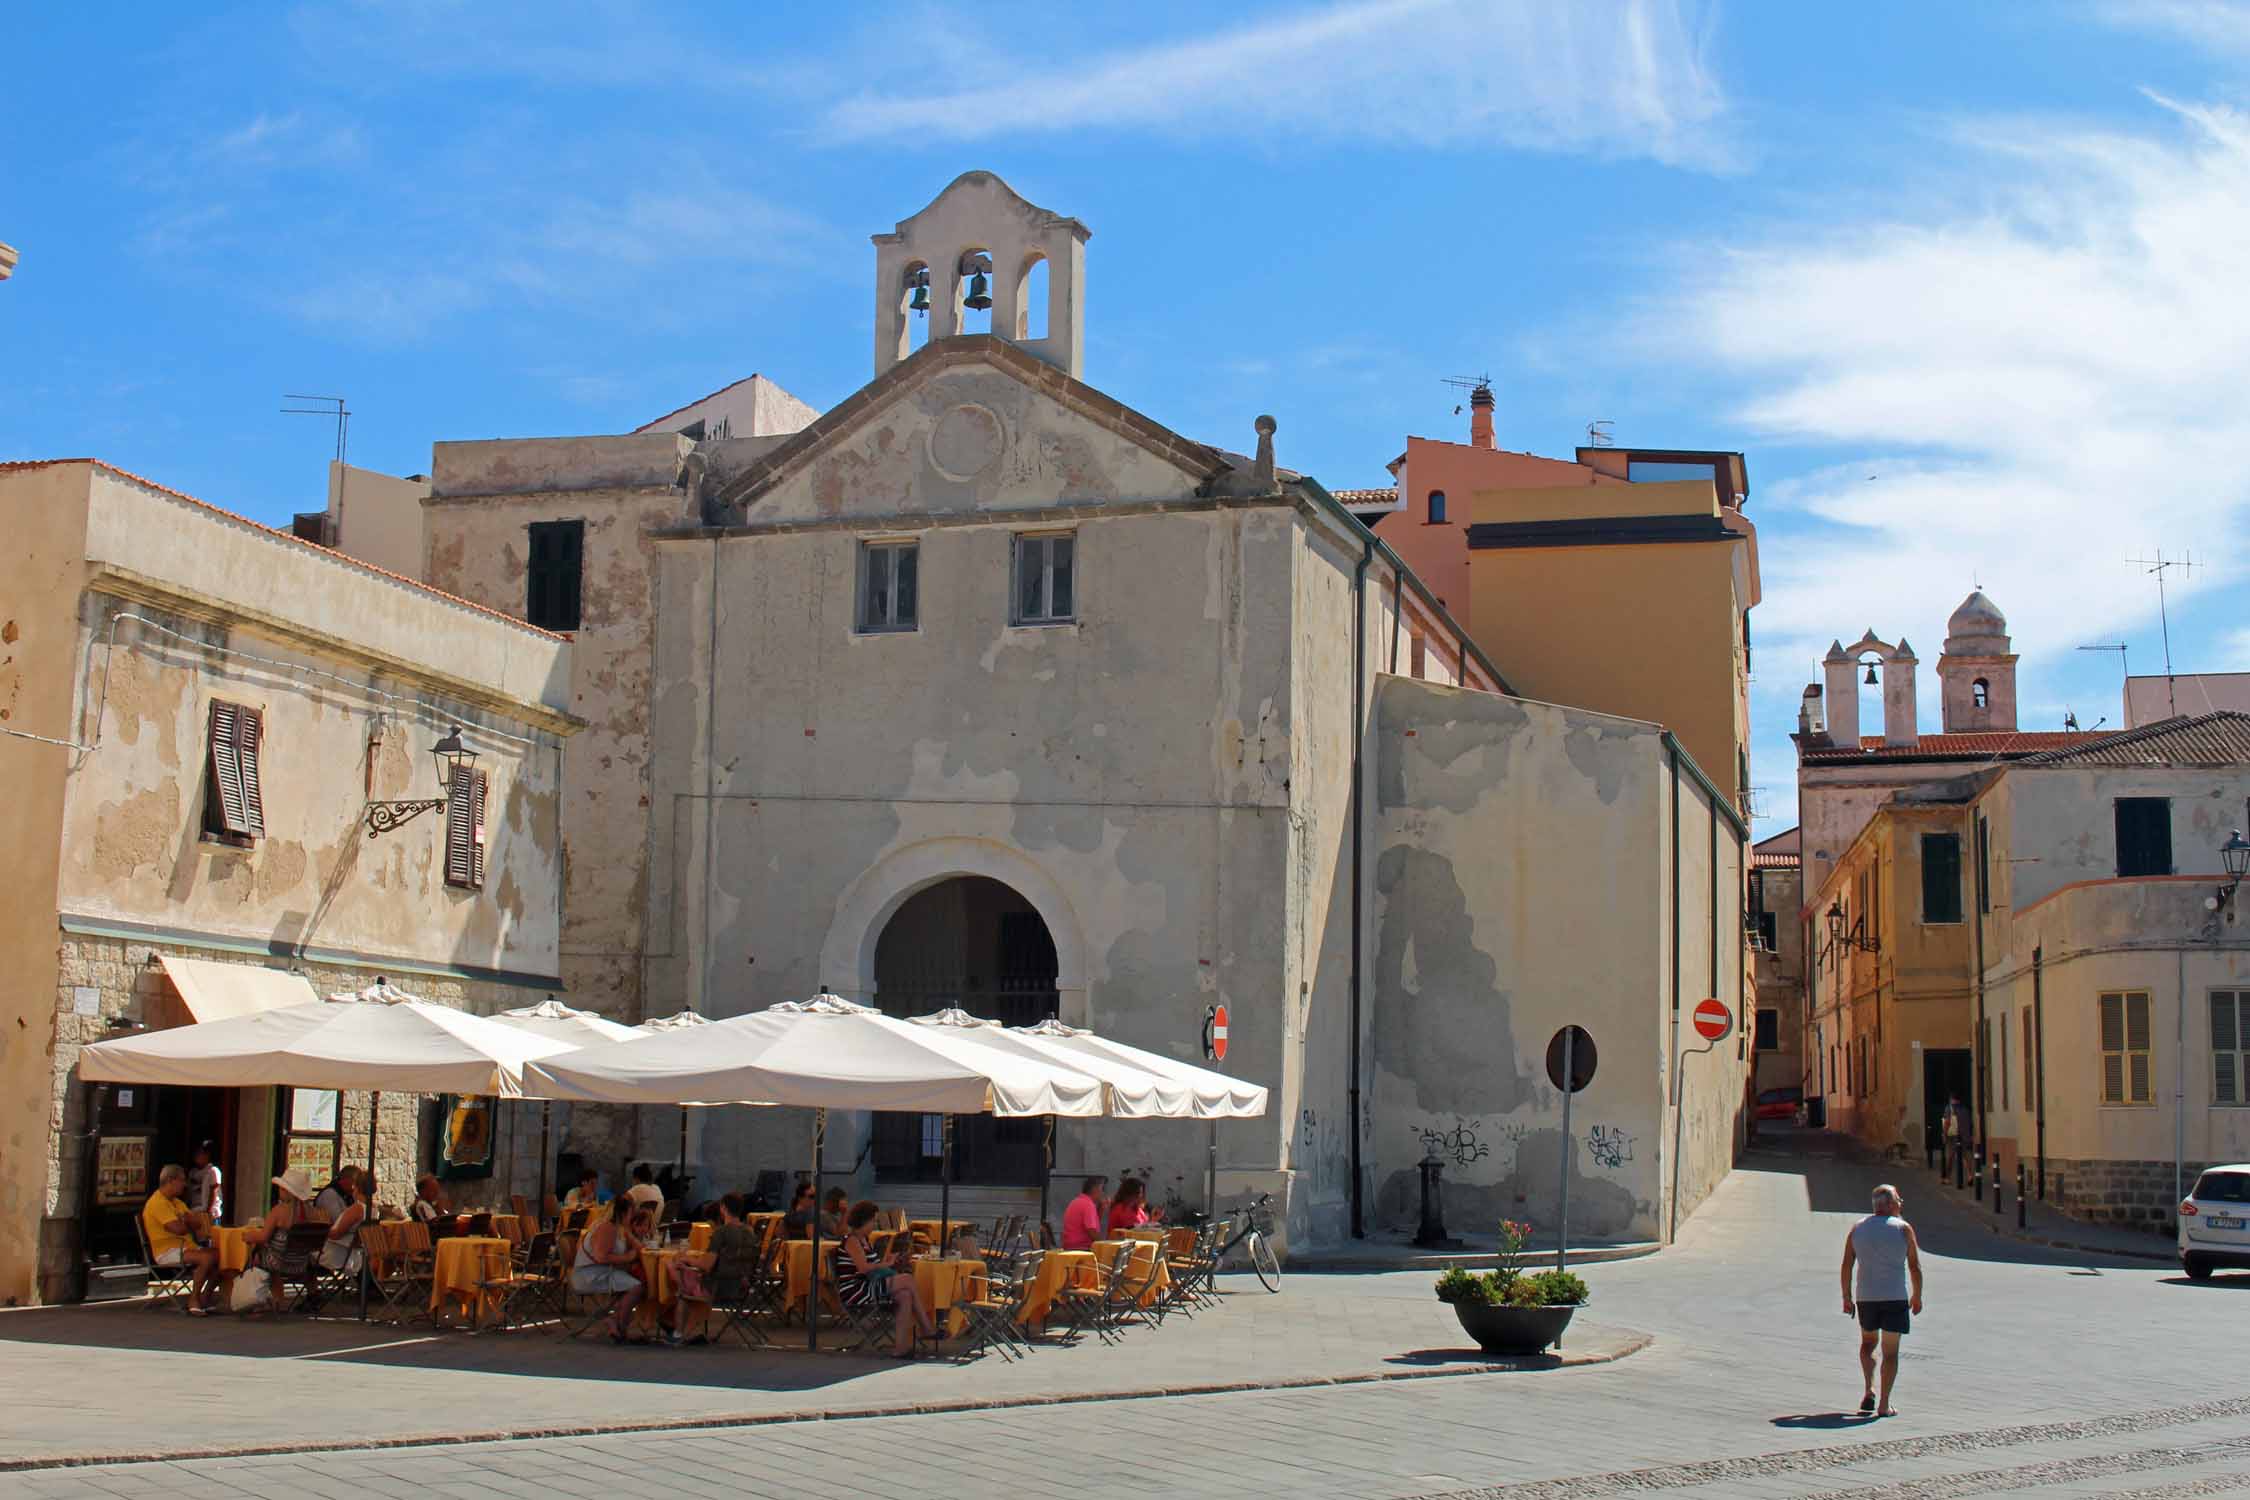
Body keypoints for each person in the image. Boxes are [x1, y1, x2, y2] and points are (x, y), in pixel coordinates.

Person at [1841, 1183, 1924, 1418]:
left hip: (1866, 1297)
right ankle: (1884, 1404)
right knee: (1890, 1352)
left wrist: (1846, 1296)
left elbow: (1847, 1264)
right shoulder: (1903, 1228)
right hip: (1895, 1297)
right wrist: (1917, 1295)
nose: (1901, 1203)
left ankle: (1869, 1388)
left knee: (1868, 1345)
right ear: (1888, 1205)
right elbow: (1915, 1266)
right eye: (1898, 1199)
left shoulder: (1857, 1229)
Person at [833, 1200, 933, 1358]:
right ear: (863, 1221)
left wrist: (891, 1262)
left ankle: (900, 1348)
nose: (874, 1224)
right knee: (907, 1279)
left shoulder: (865, 1240)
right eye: (873, 1221)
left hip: (869, 1285)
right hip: (856, 1289)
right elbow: (863, 1268)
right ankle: (926, 1328)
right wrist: (885, 1264)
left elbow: (873, 1267)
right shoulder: (852, 1240)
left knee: (905, 1295)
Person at [665, 1192, 759, 1347]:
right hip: (740, 1287)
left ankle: (678, 1333)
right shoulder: (750, 1232)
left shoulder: (721, 1232)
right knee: (686, 1278)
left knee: (677, 1274)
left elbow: (706, 1265)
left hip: (717, 1288)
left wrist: (687, 1259)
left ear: (723, 1208)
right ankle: (686, 1326)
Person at [142, 1164, 221, 1314]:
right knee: (207, 1258)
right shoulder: (157, 1203)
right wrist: (187, 1221)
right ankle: (194, 1299)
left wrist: (185, 1221)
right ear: (171, 1181)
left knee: (221, 1257)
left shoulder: (177, 1202)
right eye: (182, 1180)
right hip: (167, 1250)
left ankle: (204, 1298)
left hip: (186, 1246)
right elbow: (178, 1229)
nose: (185, 1185)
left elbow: (197, 1224)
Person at [571, 1193, 648, 1342]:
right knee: (637, 1287)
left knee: (640, 1284)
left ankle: (615, 1322)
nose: (633, 1218)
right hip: (589, 1275)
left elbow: (640, 1247)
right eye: (631, 1213)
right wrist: (628, 1257)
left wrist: (634, 1241)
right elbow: (601, 1257)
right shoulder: (607, 1228)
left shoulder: (619, 1227)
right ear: (624, 1213)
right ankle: (619, 1325)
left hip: (601, 1272)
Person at [240, 1168, 314, 1312]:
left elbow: (263, 1237)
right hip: (301, 1263)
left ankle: (266, 1299)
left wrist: (248, 1236)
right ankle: (279, 1300)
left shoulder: (279, 1211)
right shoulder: (310, 1211)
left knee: (259, 1254)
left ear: (286, 1191)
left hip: (279, 1262)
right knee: (274, 1254)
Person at [320, 1170, 373, 1278]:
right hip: (355, 1255)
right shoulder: (373, 1209)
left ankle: (312, 1290)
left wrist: (321, 1231)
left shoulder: (356, 1209)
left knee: (304, 1254)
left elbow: (336, 1234)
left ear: (356, 1187)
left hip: (338, 1255)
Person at [1062, 1176, 1109, 1251]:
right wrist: (1105, 1245)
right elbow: (1092, 1232)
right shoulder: (1088, 1204)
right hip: (1081, 1248)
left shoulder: (1079, 1200)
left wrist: (1101, 1209)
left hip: (1071, 1247)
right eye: (1101, 1189)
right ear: (1094, 1189)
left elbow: (1093, 1226)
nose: (1103, 1193)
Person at [185, 1141, 224, 1224]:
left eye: (201, 1154)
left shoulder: (212, 1171)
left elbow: (214, 1191)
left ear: (207, 1156)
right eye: (196, 1154)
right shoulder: (193, 1172)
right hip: (194, 1210)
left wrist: (208, 1212)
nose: (197, 1157)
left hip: (209, 1213)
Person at [1940, 1095, 1965, 1178]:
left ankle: (1947, 1176)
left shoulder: (1949, 1108)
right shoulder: (1962, 1108)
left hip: (1952, 1135)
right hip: (1961, 1134)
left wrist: (1944, 1133)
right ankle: (1969, 1175)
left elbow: (1947, 1122)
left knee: (1950, 1155)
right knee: (1964, 1155)